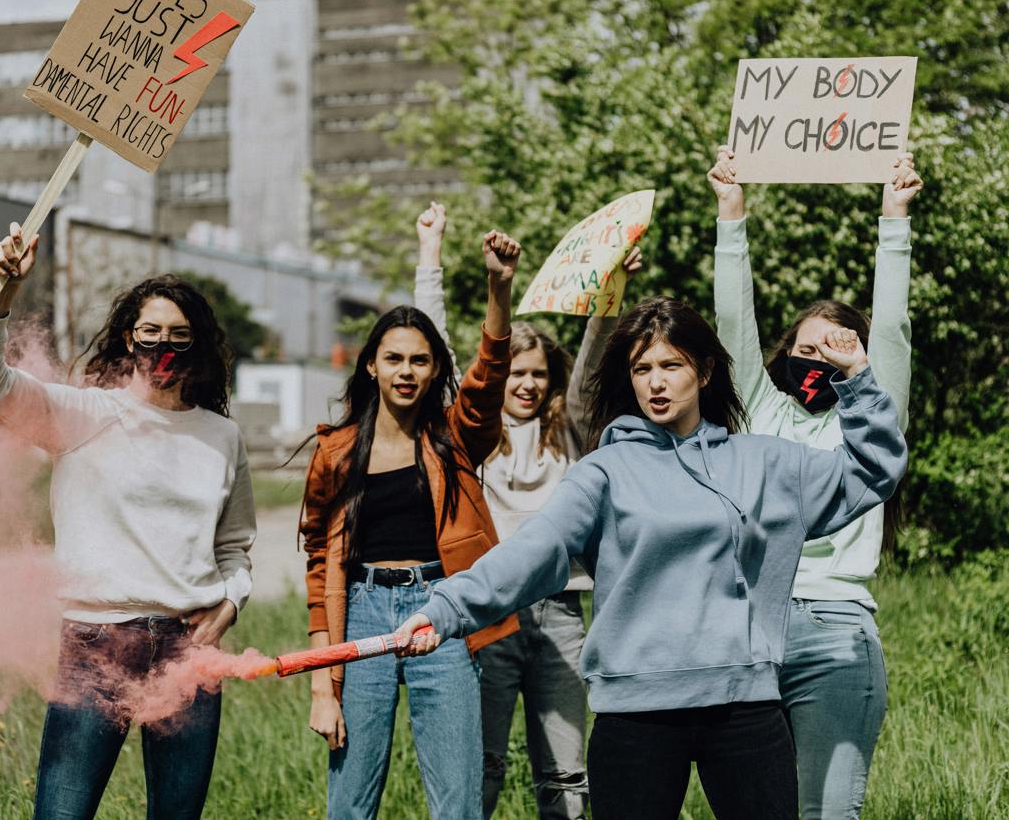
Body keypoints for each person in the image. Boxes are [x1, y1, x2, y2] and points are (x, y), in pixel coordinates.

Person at [394, 295, 908, 820]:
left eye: (671, 366)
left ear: (704, 371)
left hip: (744, 706)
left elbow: (874, 469)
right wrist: (447, 608)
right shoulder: (604, 472)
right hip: (636, 714)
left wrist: (857, 378)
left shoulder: (763, 463)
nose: (656, 383)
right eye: (642, 369)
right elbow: (533, 550)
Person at [0, 223, 256, 820]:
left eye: (179, 336)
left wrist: (232, 602)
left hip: (188, 650)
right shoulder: (83, 414)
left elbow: (235, 547)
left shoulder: (222, 437)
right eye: (151, 333)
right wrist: (3, 291)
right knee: (62, 813)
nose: (164, 347)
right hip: (97, 644)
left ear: (198, 345)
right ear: (128, 337)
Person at [708, 147, 921, 820]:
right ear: (785, 355)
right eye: (807, 348)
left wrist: (894, 219)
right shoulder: (758, 409)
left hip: (837, 633)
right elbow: (733, 324)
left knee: (825, 812)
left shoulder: (872, 419)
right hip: (750, 632)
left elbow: (893, 330)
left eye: (837, 348)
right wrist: (731, 214)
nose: (818, 359)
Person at [413, 201, 641, 820]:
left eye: (538, 374)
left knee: (566, 772)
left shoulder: (570, 430)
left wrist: (612, 287)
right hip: (490, 611)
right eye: (516, 371)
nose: (527, 384)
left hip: (561, 613)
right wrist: (431, 250)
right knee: (483, 764)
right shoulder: (471, 434)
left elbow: (595, 356)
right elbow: (437, 347)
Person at [301, 229, 524, 820]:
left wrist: (499, 287)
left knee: (457, 804)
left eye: (420, 360)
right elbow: (319, 568)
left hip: (441, 611)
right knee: (350, 804)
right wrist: (323, 684)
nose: (406, 371)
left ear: (434, 369)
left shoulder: (454, 437)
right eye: (394, 359)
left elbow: (488, 379)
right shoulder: (336, 452)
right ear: (371, 365)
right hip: (362, 614)